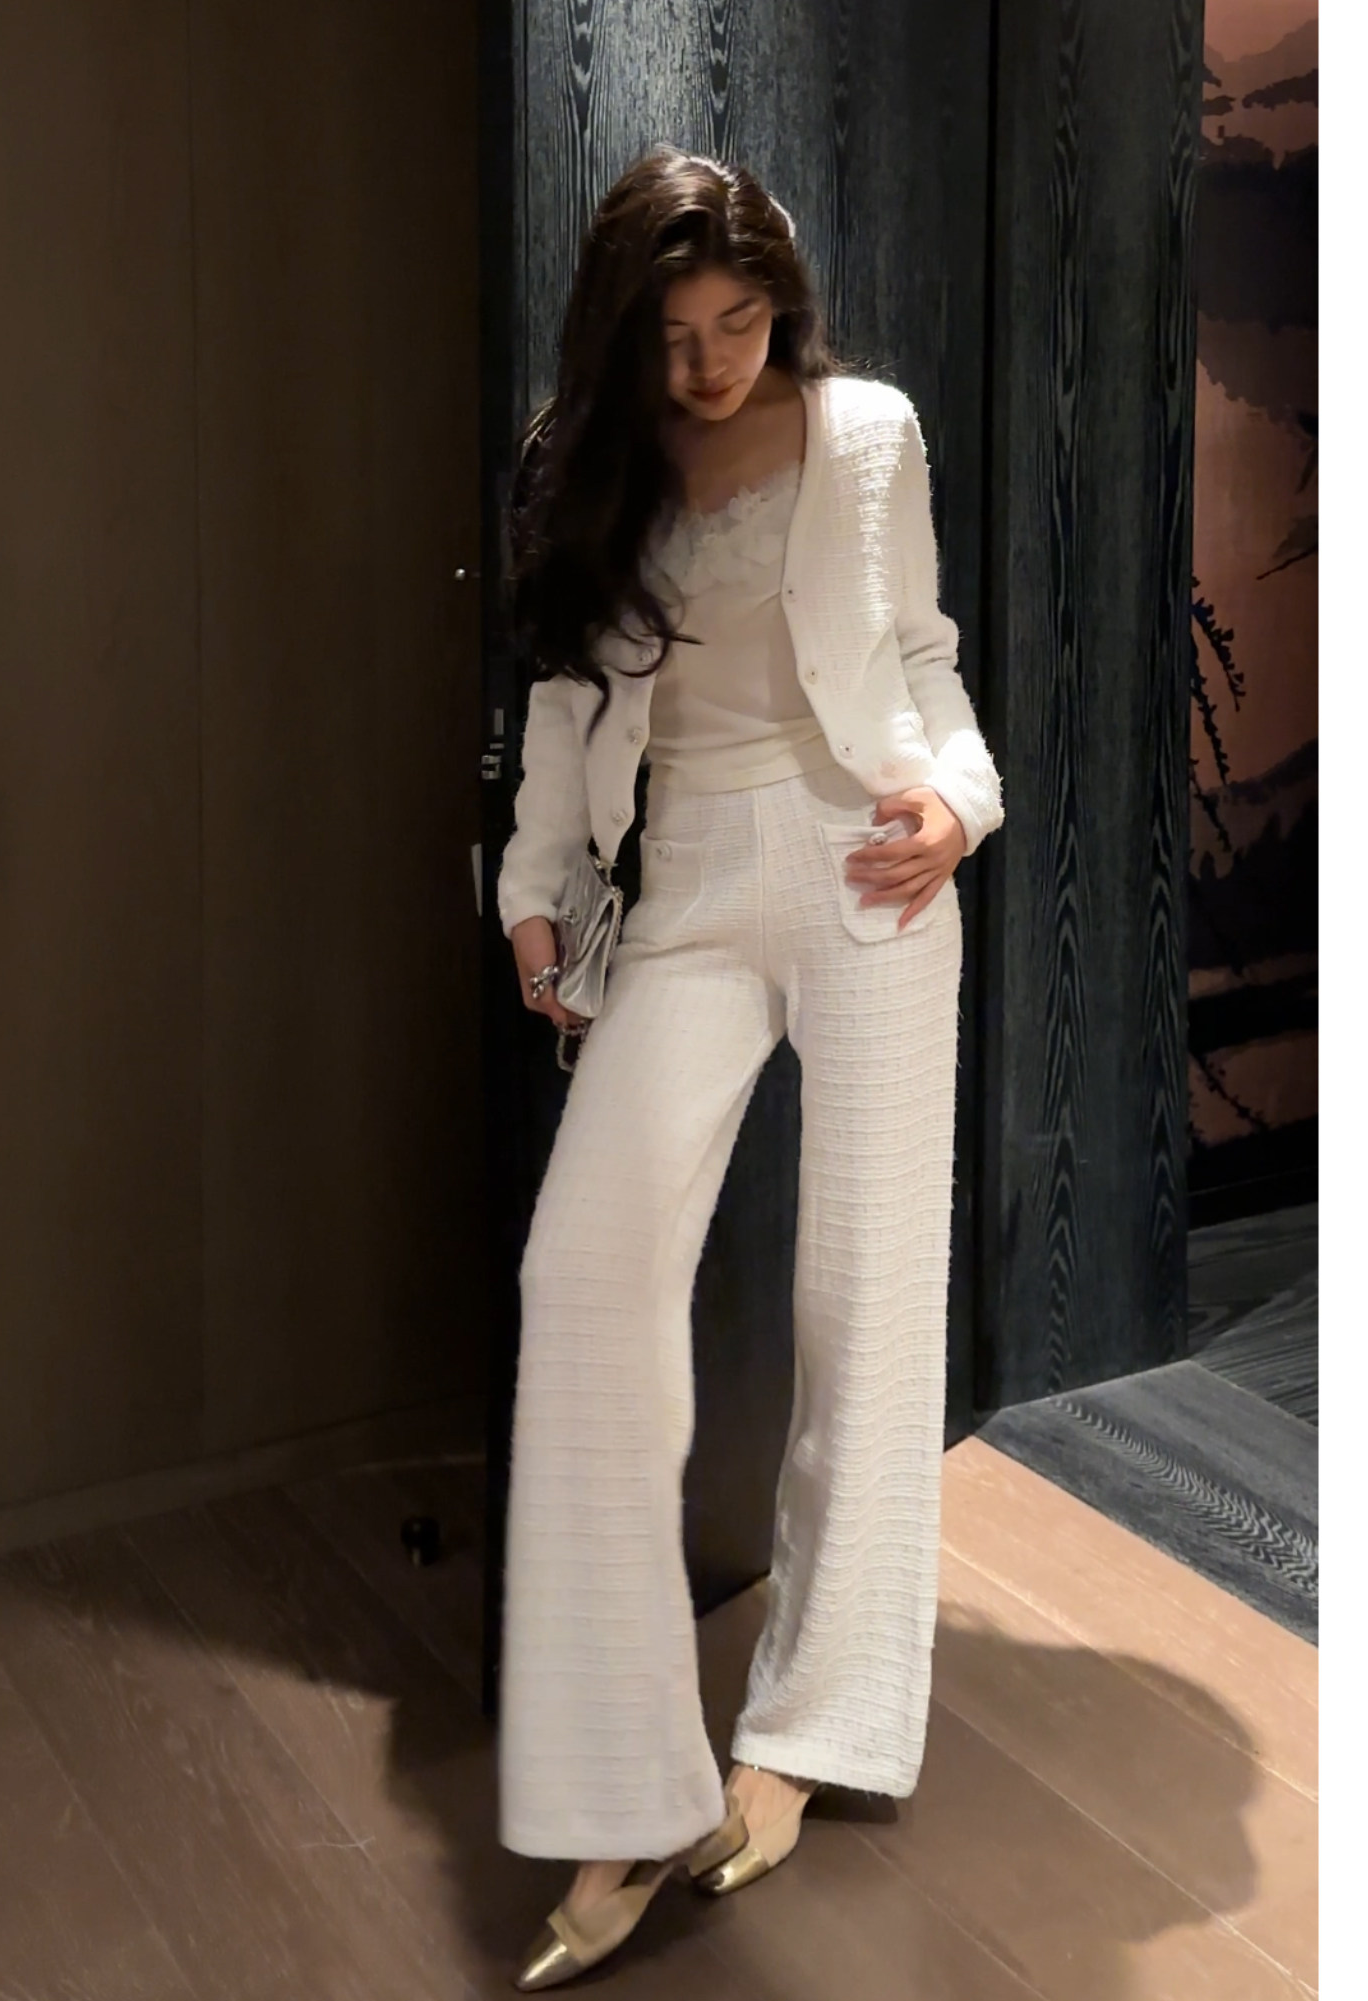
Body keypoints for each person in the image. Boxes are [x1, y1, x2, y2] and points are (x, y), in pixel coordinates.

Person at [494, 145, 1006, 1991]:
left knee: (864, 1301)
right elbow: (564, 699)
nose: (711, 364)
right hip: (692, 881)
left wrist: (959, 803)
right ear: (621, 334)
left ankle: (803, 1734)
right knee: (582, 1276)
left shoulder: (868, 433)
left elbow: (923, 656)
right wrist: (534, 897)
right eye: (674, 335)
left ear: (780, 307)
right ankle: (620, 1783)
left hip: (871, 864)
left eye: (739, 323)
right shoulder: (587, 461)